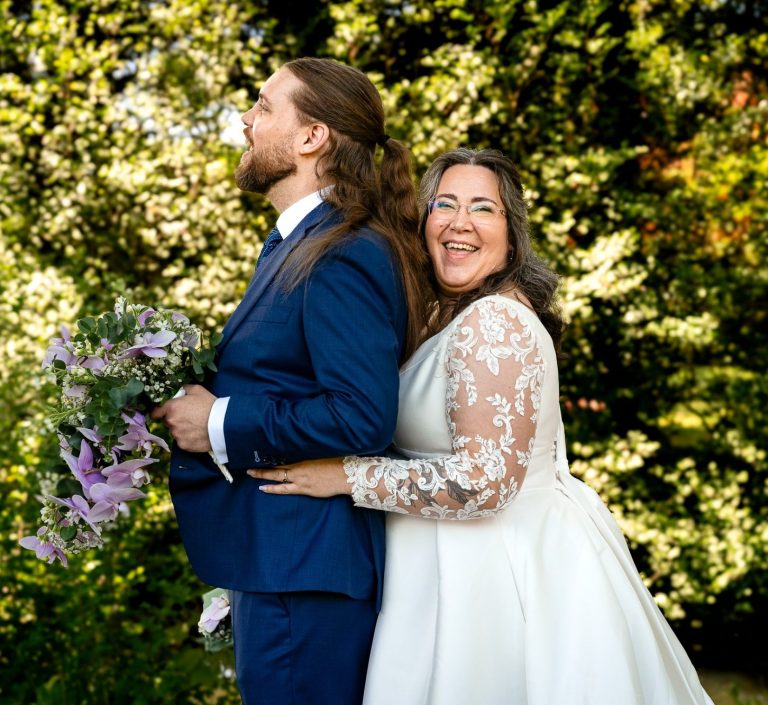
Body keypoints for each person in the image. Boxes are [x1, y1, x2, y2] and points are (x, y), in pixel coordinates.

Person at [248, 148, 715, 705]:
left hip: (498, 571)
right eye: (444, 204)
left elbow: (484, 481)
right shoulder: (444, 317)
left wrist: (344, 476)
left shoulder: (494, 322)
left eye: (483, 208)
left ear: (512, 239)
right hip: (443, 562)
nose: (460, 222)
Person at [151, 58, 429, 705]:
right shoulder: (295, 244)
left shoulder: (343, 249)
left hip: (305, 574)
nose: (245, 119)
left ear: (312, 136)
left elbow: (360, 414)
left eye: (263, 105)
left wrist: (216, 421)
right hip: (283, 564)